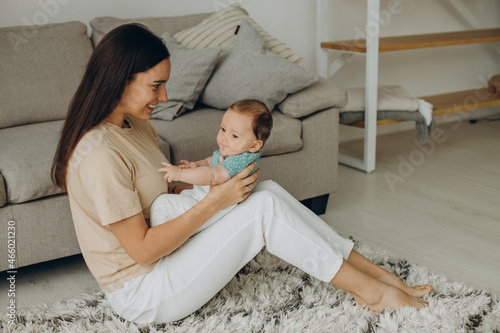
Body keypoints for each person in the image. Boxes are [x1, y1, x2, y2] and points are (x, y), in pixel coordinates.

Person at [51, 23, 432, 325]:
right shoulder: (100, 154)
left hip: (167, 260)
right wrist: (217, 200)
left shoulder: (133, 126)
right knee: (262, 212)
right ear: (120, 79)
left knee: (266, 192)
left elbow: (163, 192)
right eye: (156, 85)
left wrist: (211, 179)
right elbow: (143, 250)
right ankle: (373, 293)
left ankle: (378, 278)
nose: (164, 97)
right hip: (144, 290)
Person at [150, 99, 272, 230]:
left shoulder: (239, 160)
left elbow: (213, 175)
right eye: (223, 129)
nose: (224, 137)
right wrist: (197, 164)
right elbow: (212, 161)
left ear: (255, 145)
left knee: (161, 205)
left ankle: (167, 246)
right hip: (206, 198)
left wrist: (180, 174)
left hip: (218, 208)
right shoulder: (235, 153)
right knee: (175, 204)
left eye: (234, 136)